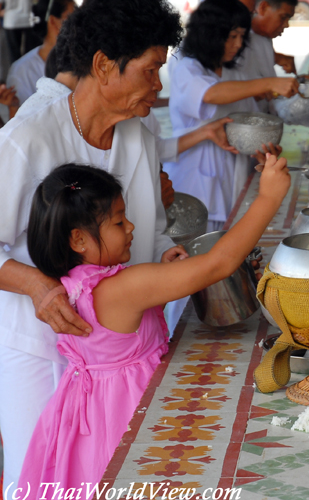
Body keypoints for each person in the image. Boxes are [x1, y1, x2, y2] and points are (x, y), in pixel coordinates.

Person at [0, 0, 184, 491]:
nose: (158, 84)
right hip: (38, 348)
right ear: (104, 66)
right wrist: (38, 286)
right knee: (38, 478)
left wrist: (168, 255)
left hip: (118, 359)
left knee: (113, 475)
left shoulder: (138, 137)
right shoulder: (28, 137)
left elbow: (149, 234)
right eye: (150, 69)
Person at [19, 153, 289, 490]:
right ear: (78, 239)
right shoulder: (119, 288)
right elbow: (217, 265)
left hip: (88, 410)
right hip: (124, 410)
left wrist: (164, 270)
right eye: (118, 223)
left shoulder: (75, 283)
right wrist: (269, 197)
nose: (130, 227)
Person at [164, 0, 297, 231]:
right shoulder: (188, 68)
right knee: (199, 240)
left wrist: (265, 148)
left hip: (234, 171)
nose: (237, 44)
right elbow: (211, 94)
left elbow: (248, 121)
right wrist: (267, 83)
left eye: (241, 37)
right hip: (195, 175)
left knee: (231, 230)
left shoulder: (234, 73)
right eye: (232, 36)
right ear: (211, 34)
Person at [235, 0, 302, 113]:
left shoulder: (263, 35)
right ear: (263, 7)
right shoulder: (236, 41)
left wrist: (277, 57)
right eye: (283, 17)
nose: (286, 25)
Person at [7, 0, 75, 104]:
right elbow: (19, 118)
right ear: (53, 21)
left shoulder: (83, 61)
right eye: (71, 18)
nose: (78, 24)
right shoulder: (21, 71)